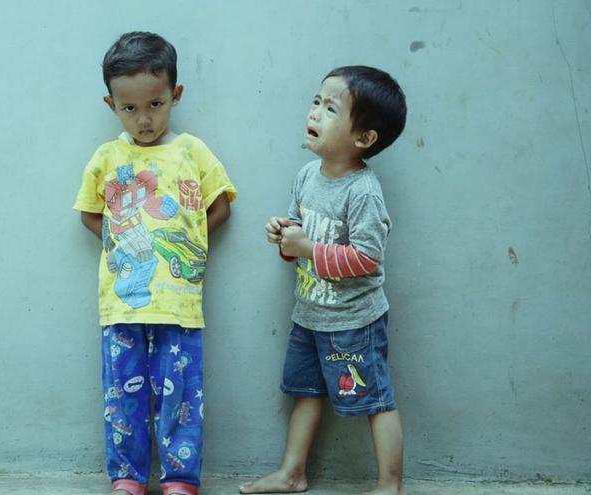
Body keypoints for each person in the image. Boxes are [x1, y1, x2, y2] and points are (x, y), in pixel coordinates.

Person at [74, 31, 237, 495]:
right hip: (122, 303)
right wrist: (121, 243)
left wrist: (187, 246)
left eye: (155, 104)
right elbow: (90, 213)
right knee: (122, 398)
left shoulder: (192, 151)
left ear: (174, 96)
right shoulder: (108, 158)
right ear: (112, 105)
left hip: (180, 306)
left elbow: (221, 206)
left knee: (181, 398)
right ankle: (126, 476)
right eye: (130, 108)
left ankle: (180, 479)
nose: (144, 119)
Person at [239, 66, 407, 495]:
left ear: (363, 138)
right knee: (306, 392)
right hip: (310, 314)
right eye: (316, 102)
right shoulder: (306, 176)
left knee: (376, 399)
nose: (315, 113)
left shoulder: (362, 191)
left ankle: (391, 484)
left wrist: (308, 247)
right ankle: (292, 473)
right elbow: (298, 238)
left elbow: (368, 259)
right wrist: (284, 235)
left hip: (354, 324)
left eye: (331, 108)